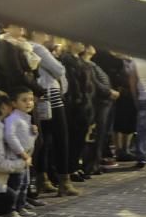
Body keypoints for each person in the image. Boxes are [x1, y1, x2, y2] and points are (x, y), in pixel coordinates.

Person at [28, 29, 77, 196]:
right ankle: (65, 181)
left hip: (38, 98)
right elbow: (59, 70)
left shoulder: (25, 46)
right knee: (61, 138)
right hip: (52, 96)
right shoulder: (39, 48)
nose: (47, 36)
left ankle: (43, 179)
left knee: (44, 140)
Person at [82, 45, 120, 175]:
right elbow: (94, 82)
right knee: (97, 134)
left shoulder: (91, 63)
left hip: (104, 102)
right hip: (100, 102)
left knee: (101, 135)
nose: (94, 48)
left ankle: (96, 163)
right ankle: (92, 165)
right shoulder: (86, 64)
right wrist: (109, 92)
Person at [60, 40, 95, 180]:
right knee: (74, 137)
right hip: (75, 104)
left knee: (80, 137)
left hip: (83, 101)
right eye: (79, 42)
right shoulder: (67, 60)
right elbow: (73, 83)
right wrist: (78, 99)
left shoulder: (79, 60)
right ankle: (71, 168)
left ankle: (75, 166)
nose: (82, 45)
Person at [4, 88, 38, 217]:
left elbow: (27, 140)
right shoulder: (13, 118)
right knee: (16, 185)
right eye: (24, 100)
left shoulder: (25, 118)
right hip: (16, 158)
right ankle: (10, 210)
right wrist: (21, 152)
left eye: (31, 100)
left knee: (24, 184)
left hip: (25, 159)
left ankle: (20, 207)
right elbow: (10, 136)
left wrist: (34, 133)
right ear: (14, 103)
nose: (28, 103)